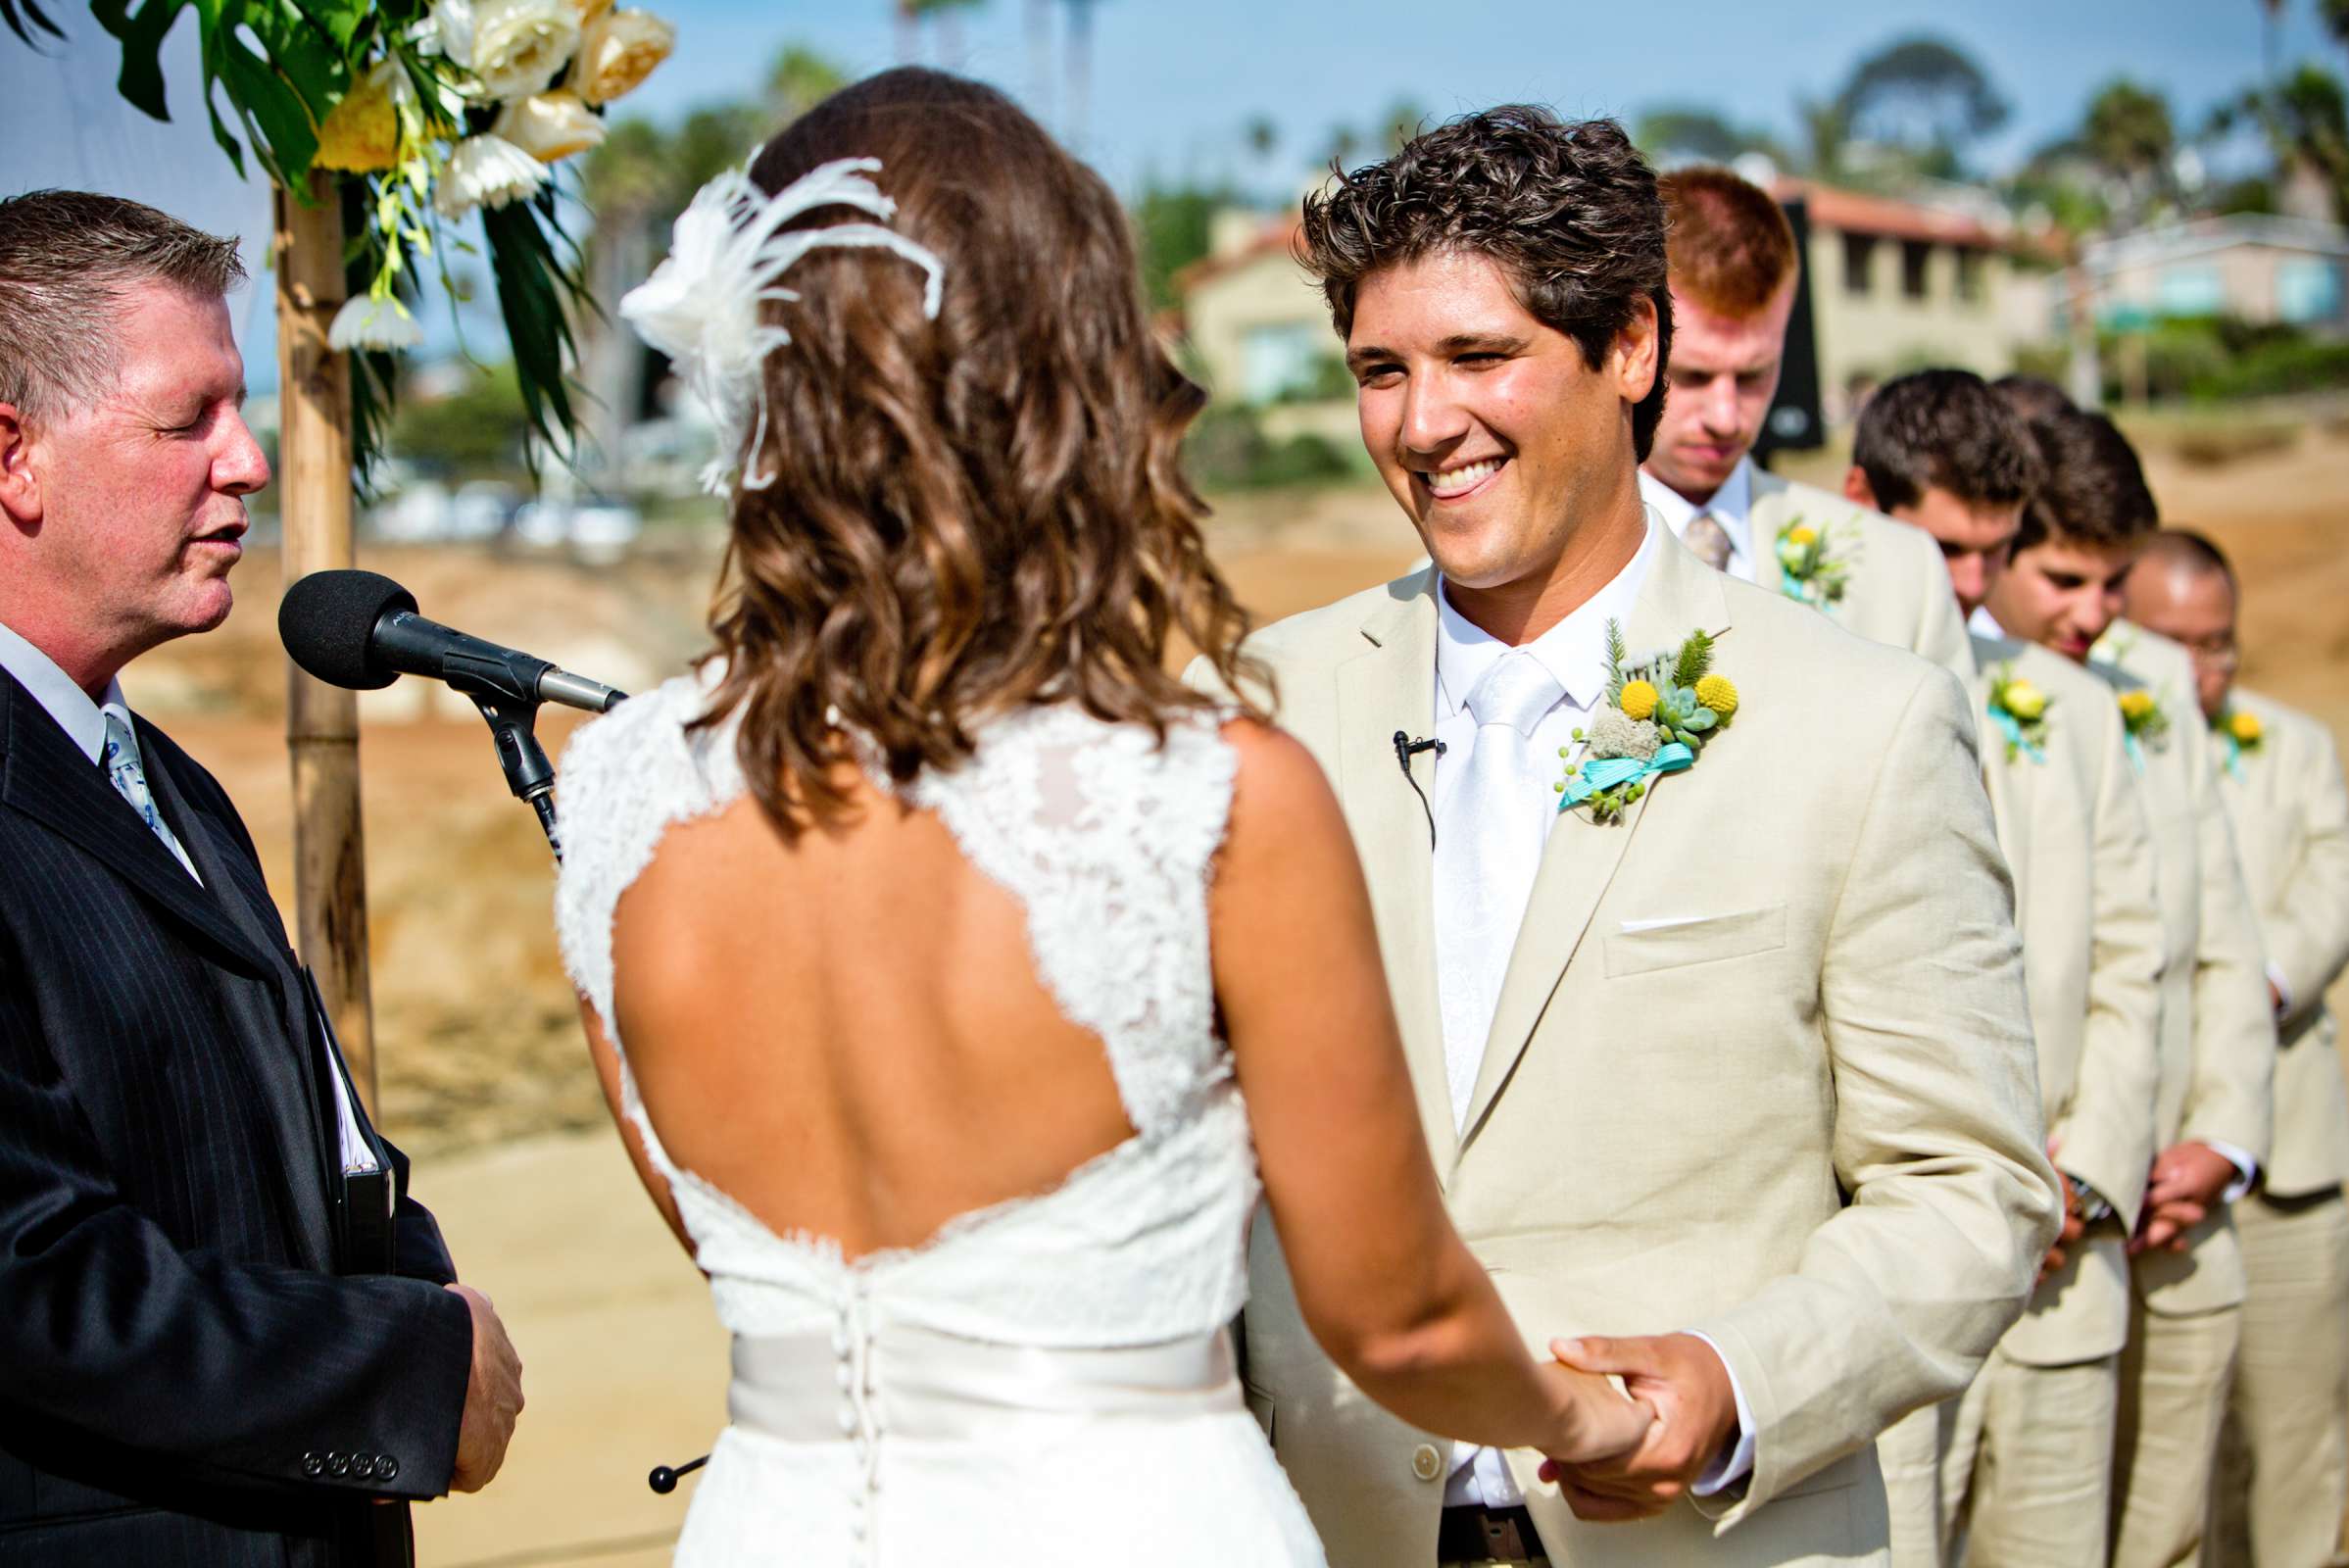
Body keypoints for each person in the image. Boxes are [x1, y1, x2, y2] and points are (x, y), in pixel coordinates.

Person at [553, 69, 1651, 1568]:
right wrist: (1590, 1424)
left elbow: (730, 1245)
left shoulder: (616, 793)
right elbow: (1393, 1316)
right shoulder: (1205, 795)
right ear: (1066, 376)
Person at [1191, 107, 2058, 1568]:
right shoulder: (1256, 707)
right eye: (1381, 372)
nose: (1420, 424)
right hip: (1329, 1529)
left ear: (1633, 350)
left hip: (1710, 1532)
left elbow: (1970, 1193)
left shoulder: (1864, 719)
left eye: (1481, 358)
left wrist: (1740, 1383)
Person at [0, 191, 521, 1563]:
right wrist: (398, 1369)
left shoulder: (165, 775)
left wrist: (421, 1280)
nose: (246, 462)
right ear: (14, 459)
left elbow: (309, 1137)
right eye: (188, 420)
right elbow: (30, 1273)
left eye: (242, 411)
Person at [1844, 369, 2163, 1566]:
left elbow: (2136, 955)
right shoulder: (1813, 702)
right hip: (1888, 1279)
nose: (1966, 588)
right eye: (1944, 551)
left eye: (1992, 555)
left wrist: (2083, 1176)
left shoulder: (2070, 710)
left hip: (2061, 1261)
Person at [1980, 408, 2274, 1568]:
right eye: (2065, 578)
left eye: (2114, 582)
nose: (2093, 617)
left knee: (2164, 1527)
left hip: (2156, 1197)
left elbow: (2214, 928)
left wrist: (2221, 1135)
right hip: (2020, 1206)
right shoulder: (1923, 665)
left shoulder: (2148, 682)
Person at [2125, 529, 2349, 1568]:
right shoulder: (2092, 742)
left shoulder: (2294, 745)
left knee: (2296, 1438)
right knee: (2165, 1459)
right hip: (2150, 1171)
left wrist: (2246, 987)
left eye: (2219, 645)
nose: (2200, 670)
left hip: (2289, 1171)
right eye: (2174, 642)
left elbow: (2332, 892)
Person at [1636, 166, 1970, 680]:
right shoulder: (1543, 560)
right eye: (1694, 375)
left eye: (1754, 375)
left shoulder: (1901, 573)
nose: (1726, 418)